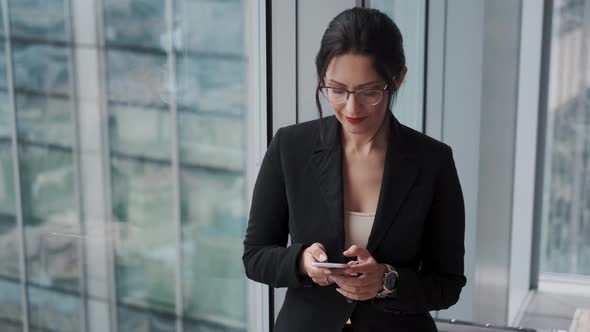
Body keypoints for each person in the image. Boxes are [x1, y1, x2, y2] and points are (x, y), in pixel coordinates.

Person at [243, 7, 466, 332]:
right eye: (336, 89)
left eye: (369, 92)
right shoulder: (289, 147)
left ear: (398, 79)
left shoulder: (433, 161)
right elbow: (255, 256)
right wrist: (301, 261)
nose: (351, 107)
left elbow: (448, 284)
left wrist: (386, 280)